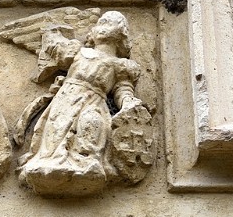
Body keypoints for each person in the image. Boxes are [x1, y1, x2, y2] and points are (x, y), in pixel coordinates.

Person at [16, 11, 147, 197]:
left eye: (110, 23)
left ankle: (86, 162)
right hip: (67, 98)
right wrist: (51, 34)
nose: (103, 27)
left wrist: (128, 102)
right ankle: (49, 162)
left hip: (94, 101)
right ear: (92, 32)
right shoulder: (79, 51)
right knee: (57, 129)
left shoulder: (121, 65)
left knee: (91, 124)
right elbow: (55, 48)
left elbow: (122, 89)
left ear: (122, 34)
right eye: (101, 22)